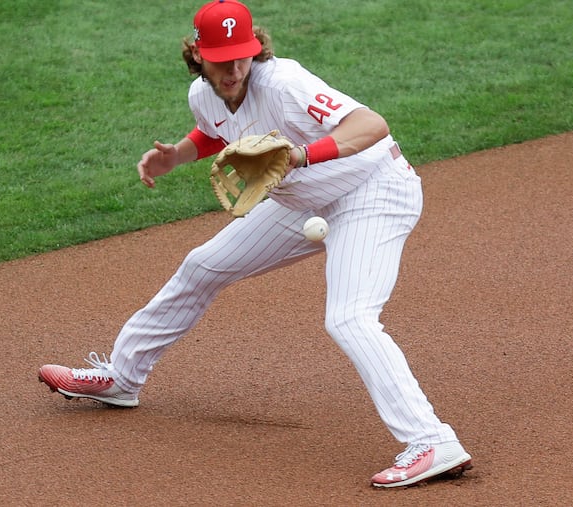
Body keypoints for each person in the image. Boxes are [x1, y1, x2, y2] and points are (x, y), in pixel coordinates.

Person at [39, 0, 472, 488]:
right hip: (301, 201)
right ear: (198, 55)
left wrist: (302, 155)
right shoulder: (202, 94)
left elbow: (371, 126)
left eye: (242, 56)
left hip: (371, 192)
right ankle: (122, 377)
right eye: (222, 60)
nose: (233, 70)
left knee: (349, 318)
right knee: (202, 266)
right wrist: (177, 156)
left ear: (256, 48)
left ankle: (433, 441)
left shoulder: (284, 83)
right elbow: (214, 131)